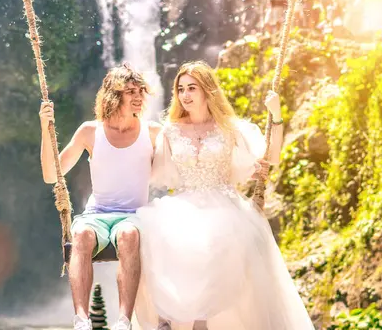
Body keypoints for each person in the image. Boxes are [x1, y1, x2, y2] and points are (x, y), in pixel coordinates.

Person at [134, 61, 314, 330]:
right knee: (156, 234)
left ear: (207, 90)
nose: (185, 95)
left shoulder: (229, 128)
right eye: (181, 89)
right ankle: (167, 319)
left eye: (192, 88)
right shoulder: (170, 130)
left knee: (216, 239)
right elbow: (150, 172)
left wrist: (275, 116)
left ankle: (200, 324)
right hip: (184, 203)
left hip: (223, 202)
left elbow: (271, 157)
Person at [39, 64, 162, 330]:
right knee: (81, 235)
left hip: (134, 216)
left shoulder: (152, 133)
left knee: (128, 236)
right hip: (97, 214)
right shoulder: (90, 132)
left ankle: (124, 321)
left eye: (141, 90)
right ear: (113, 95)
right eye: (130, 91)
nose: (138, 96)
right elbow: (51, 174)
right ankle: (81, 319)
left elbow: (179, 165)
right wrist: (44, 128)